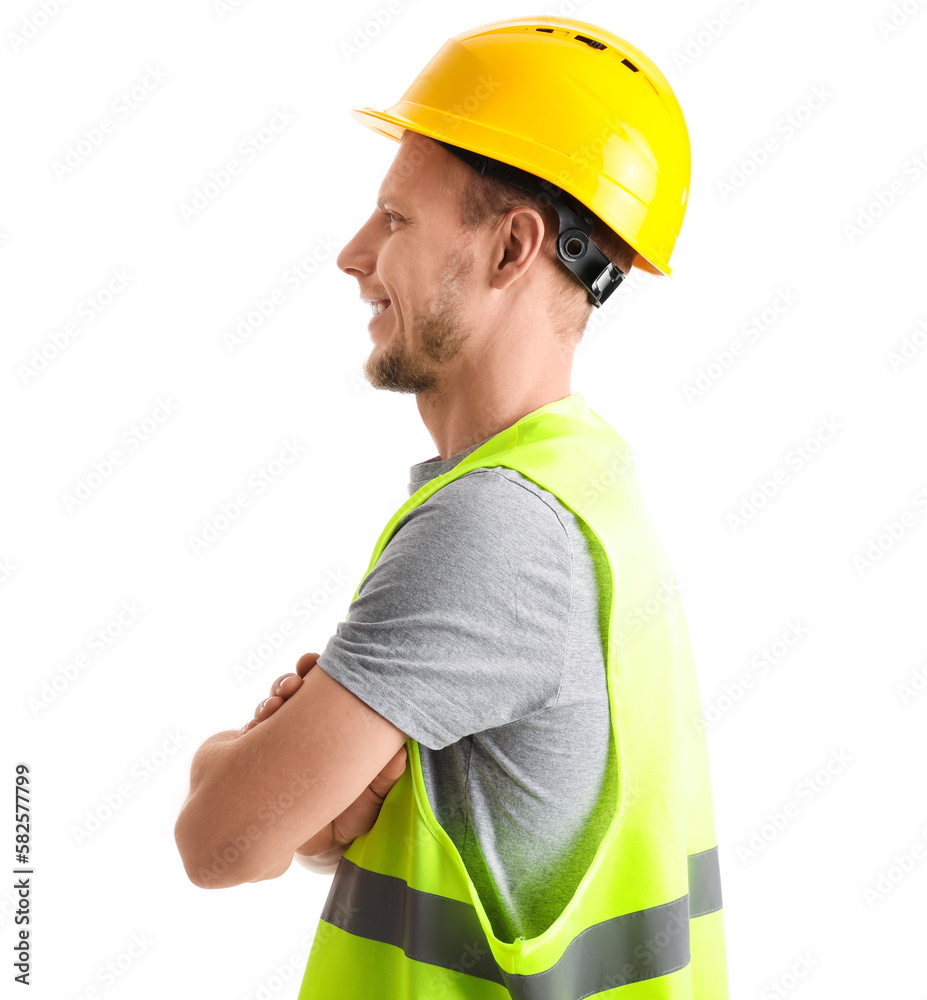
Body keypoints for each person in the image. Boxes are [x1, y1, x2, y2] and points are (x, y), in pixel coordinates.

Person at [174, 15, 729, 999]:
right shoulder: (588, 481)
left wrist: (238, 759)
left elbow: (221, 841)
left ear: (512, 247)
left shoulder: (498, 530)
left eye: (394, 219)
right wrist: (326, 798)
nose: (353, 255)